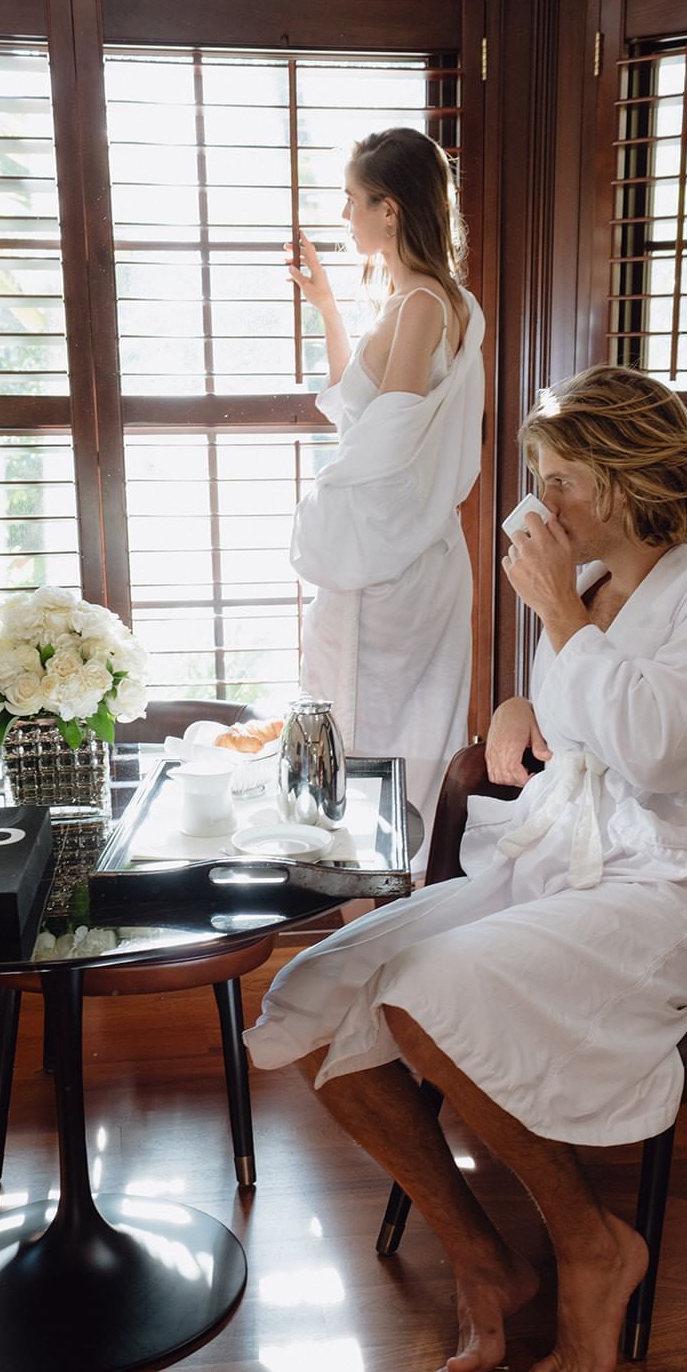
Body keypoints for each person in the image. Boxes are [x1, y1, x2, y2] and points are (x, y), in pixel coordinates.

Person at [245, 366, 687, 1372]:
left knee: (420, 990)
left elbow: (658, 752)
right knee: (312, 996)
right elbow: (580, 705)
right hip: (553, 863)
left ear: (632, 474)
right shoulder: (594, 585)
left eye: (559, 482)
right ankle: (480, 1252)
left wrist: (553, 614)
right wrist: (513, 701)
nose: (537, 508)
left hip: (660, 889)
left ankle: (591, 1242)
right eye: (537, 481)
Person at [285, 128, 484, 863]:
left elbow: (387, 444)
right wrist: (330, 310)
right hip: (409, 556)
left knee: (365, 745)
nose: (343, 216)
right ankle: (373, 928)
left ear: (390, 209)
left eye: (352, 200)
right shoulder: (423, 300)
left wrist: (318, 501)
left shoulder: (423, 304)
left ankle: (371, 928)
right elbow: (355, 407)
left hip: (389, 568)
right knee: (371, 741)